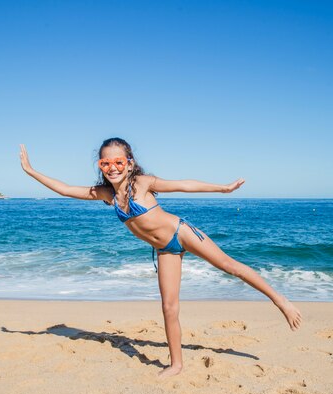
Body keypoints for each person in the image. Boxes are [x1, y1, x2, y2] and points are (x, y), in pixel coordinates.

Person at [19, 138, 302, 378]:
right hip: (165, 249)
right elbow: (66, 189)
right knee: (169, 307)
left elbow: (184, 185)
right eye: (106, 164)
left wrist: (223, 188)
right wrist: (31, 171)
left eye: (118, 162)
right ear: (100, 167)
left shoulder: (142, 183)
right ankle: (176, 364)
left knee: (231, 267)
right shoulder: (106, 194)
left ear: (129, 162)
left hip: (183, 232)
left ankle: (281, 301)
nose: (113, 168)